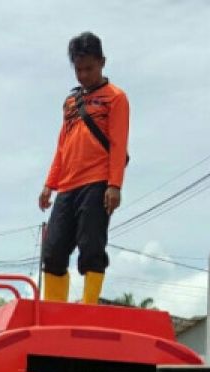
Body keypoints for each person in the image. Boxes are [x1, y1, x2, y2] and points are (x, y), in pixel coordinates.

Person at [39, 31, 130, 306]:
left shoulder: (116, 98)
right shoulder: (70, 103)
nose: (83, 75)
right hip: (67, 185)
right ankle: (55, 310)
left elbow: (118, 143)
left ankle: (89, 306)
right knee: (53, 251)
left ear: (102, 62)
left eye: (89, 68)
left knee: (91, 247)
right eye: (78, 70)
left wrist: (115, 185)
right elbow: (61, 146)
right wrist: (49, 184)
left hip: (98, 182)